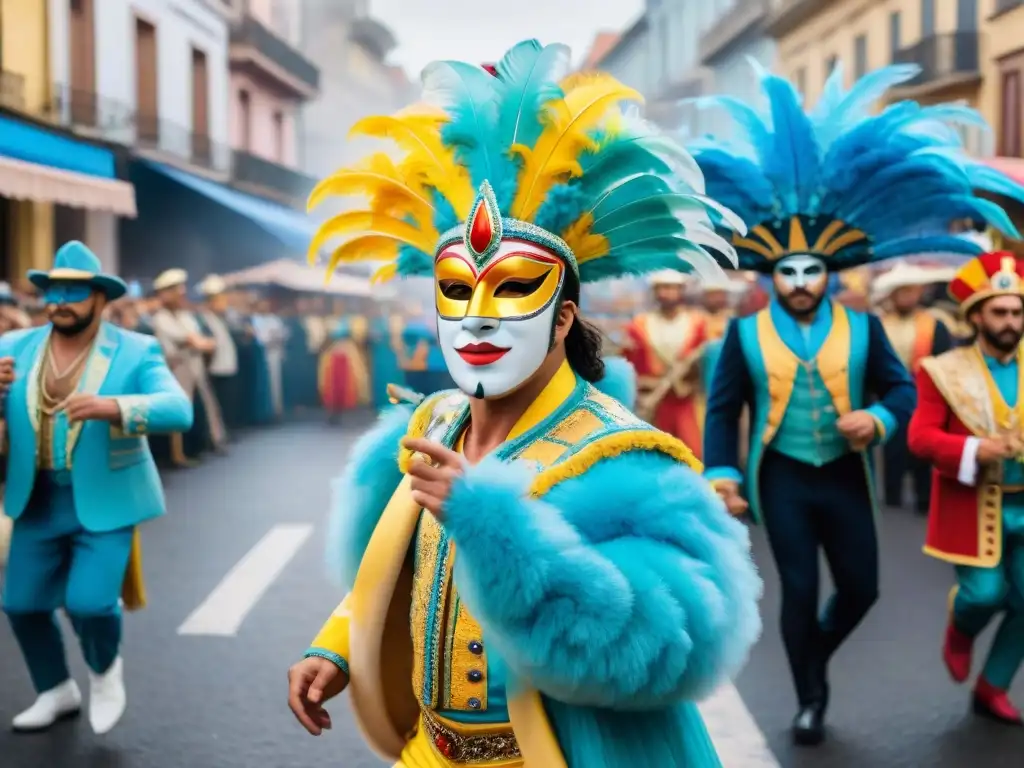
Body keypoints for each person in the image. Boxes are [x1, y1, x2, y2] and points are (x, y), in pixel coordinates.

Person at [286, 40, 761, 767]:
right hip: (428, 751)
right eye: (455, 290)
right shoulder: (429, 422)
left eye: (511, 289)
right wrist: (336, 645)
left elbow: (676, 646)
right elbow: (393, 574)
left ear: (564, 318)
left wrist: (493, 527)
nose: (476, 316)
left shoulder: (626, 457)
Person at [696, 61, 1022, 745]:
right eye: (788, 272)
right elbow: (724, 409)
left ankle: (814, 655)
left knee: (862, 587)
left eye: (813, 271)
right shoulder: (744, 333)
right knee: (796, 586)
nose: (801, 282)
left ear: (830, 274)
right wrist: (721, 473)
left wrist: (877, 419)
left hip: (845, 472)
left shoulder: (864, 328)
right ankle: (810, 698)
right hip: (780, 473)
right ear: (771, 276)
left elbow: (901, 389)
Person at [0, 241, 192, 734]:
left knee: (89, 603)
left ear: (100, 299)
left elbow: (179, 410)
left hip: (106, 500)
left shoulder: (136, 349)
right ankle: (55, 689)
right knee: (20, 604)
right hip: (36, 498)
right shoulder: (10, 348)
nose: (60, 300)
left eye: (74, 291)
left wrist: (116, 407)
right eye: (52, 290)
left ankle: (104, 670)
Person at [908, 251, 1024, 725]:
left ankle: (992, 685)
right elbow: (920, 437)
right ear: (976, 314)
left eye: (1017, 311)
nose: (1010, 321)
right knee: (983, 595)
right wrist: (978, 449)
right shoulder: (943, 369)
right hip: (975, 504)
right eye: (1000, 311)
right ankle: (961, 629)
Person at [872, 262, 955, 512]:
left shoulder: (934, 325)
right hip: (890, 396)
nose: (907, 296)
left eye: (911, 291)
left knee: (923, 448)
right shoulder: (881, 324)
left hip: (923, 395)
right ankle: (892, 496)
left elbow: (943, 362)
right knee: (893, 447)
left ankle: (923, 497)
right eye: (902, 291)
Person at [623, 271, 708, 452]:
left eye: (672, 288)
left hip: (686, 401)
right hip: (653, 400)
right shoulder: (639, 324)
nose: (667, 294)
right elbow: (629, 361)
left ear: (681, 291)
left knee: (693, 450)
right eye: (662, 288)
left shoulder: (698, 323)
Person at [150, 268, 226, 461]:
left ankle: (199, 447)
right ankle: (178, 456)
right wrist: (198, 343)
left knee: (200, 408)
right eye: (175, 291)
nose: (180, 296)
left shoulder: (185, 317)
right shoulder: (161, 318)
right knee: (177, 412)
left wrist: (199, 343)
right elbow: (193, 341)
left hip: (193, 369)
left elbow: (204, 342)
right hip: (175, 371)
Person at [196, 275, 239, 439]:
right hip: (214, 369)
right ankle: (215, 436)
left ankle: (224, 433)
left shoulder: (220, 319)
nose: (224, 304)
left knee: (226, 404)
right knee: (215, 405)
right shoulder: (203, 319)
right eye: (220, 300)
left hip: (225, 366)